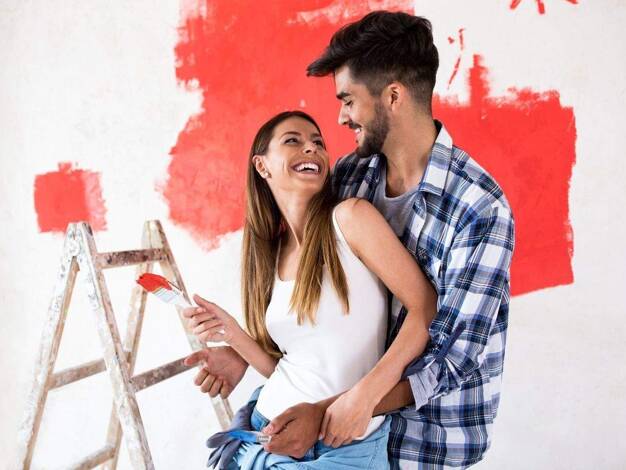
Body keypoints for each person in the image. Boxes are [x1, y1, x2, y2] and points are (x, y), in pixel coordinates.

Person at [185, 10, 515, 469]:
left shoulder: (479, 208)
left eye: (348, 100)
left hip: (424, 439)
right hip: (327, 429)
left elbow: (453, 357)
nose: (340, 118)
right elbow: (322, 318)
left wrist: (348, 405)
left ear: (393, 96)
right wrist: (246, 353)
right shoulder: (351, 175)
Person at [184, 110, 437, 469]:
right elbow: (298, 368)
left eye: (318, 143)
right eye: (293, 141)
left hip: (344, 447)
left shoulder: (350, 219)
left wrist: (365, 397)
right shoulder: (273, 255)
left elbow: (425, 307)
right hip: (262, 432)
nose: (312, 149)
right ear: (262, 166)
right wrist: (234, 337)